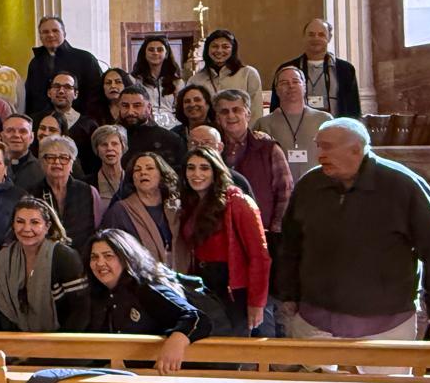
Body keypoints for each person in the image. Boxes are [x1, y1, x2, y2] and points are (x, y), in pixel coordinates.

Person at [278, 119, 430, 345]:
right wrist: (288, 294)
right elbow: (290, 245)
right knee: (317, 380)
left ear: (356, 149)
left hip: (385, 325)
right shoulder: (309, 185)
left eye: (327, 147)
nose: (319, 155)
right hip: (315, 322)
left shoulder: (402, 185)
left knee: (383, 381)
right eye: (318, 146)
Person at [85, 229, 208, 373]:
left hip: (169, 376)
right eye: (94, 257)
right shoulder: (99, 295)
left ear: (126, 258)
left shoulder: (147, 288)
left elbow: (197, 318)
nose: (100, 263)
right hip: (126, 377)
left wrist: (175, 342)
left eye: (108, 256)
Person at [178, 146, 271, 337]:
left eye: (204, 168)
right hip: (202, 285)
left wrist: (256, 303)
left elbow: (259, 256)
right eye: (191, 168)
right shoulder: (190, 203)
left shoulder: (237, 201)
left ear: (215, 171)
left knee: (234, 348)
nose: (196, 174)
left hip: (232, 288)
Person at [0, 197, 90, 332]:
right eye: (20, 222)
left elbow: (80, 311)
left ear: (47, 226)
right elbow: (2, 311)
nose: (27, 229)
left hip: (61, 343)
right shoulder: (4, 258)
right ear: (13, 225)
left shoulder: (65, 257)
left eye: (35, 222)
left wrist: (56, 348)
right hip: (16, 343)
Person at [213, 88, 292, 247]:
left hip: (263, 235)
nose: (231, 116)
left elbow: (285, 192)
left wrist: (276, 232)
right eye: (224, 111)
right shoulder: (212, 152)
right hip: (222, 237)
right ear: (217, 118)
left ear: (248, 114)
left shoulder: (269, 149)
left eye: (237, 110)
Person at [101, 152, 182, 267]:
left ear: (162, 175)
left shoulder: (176, 208)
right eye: (137, 170)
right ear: (133, 178)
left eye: (149, 168)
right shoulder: (119, 211)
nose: (143, 172)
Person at [271, 17, 362, 117]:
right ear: (304, 37)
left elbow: (354, 109)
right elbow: (276, 107)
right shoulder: (287, 69)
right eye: (311, 34)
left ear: (329, 37)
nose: (316, 38)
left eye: (321, 34)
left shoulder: (345, 70)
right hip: (296, 130)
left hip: (335, 128)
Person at [259, 65, 331, 182]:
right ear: (276, 90)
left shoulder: (324, 120)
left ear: (304, 87)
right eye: (284, 83)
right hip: (280, 188)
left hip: (319, 186)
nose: (291, 86)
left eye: (296, 81)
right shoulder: (264, 123)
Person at [23, 17, 103, 117]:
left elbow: (96, 95)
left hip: (79, 123)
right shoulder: (35, 63)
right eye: (45, 32)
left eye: (55, 30)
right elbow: (30, 98)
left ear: (64, 34)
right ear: (40, 36)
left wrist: (86, 121)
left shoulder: (85, 59)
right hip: (43, 124)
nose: (50, 35)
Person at [36, 137, 100, 253]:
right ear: (42, 162)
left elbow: (98, 230)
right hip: (45, 258)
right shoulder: (31, 194)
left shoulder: (89, 191)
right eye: (50, 157)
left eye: (63, 158)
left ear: (72, 163)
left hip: (83, 259)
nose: (57, 162)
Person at [190, 29, 262, 116]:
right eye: (215, 46)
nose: (219, 51)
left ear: (233, 50)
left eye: (225, 47)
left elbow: (256, 110)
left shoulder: (248, 74)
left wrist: (249, 130)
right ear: (207, 49)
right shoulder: (195, 80)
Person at [114, 86, 185, 171]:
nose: (130, 112)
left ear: (149, 108)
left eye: (137, 106)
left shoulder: (170, 139)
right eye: (125, 106)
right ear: (119, 107)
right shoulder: (109, 138)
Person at [128, 35, 182, 126]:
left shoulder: (177, 82)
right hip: (144, 126)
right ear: (144, 53)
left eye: (160, 50)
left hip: (173, 127)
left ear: (166, 54)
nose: (155, 53)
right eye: (151, 50)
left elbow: (180, 109)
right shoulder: (133, 80)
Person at [0, 113, 45, 191]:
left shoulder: (43, 169)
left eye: (23, 131)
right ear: (2, 136)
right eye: (10, 130)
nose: (16, 135)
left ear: (31, 137)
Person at [88, 124, 128, 203]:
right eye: (104, 144)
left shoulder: (133, 181)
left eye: (114, 144)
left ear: (123, 147)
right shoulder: (86, 185)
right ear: (97, 149)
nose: (109, 148)